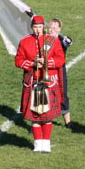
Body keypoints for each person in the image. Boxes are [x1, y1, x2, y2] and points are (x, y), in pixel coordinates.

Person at [15, 15, 66, 153]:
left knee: (47, 117)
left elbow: (61, 59)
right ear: (31, 27)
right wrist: (32, 63)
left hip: (48, 83)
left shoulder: (52, 41)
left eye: (40, 27)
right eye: (35, 27)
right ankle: (38, 144)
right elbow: (18, 60)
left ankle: (46, 144)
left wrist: (47, 63)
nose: (38, 30)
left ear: (43, 27)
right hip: (32, 82)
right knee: (35, 117)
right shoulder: (24, 42)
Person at [48, 18, 74, 128]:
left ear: (59, 29)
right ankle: (37, 123)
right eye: (50, 27)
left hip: (59, 71)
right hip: (45, 71)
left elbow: (67, 42)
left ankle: (68, 122)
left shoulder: (61, 40)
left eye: (55, 28)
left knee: (62, 95)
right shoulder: (43, 38)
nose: (52, 30)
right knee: (42, 97)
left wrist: (69, 40)